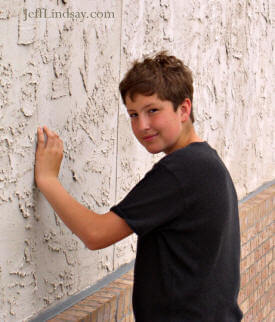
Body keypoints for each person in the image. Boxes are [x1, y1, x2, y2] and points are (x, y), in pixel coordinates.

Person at [35, 51, 243, 321]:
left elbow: (96, 234)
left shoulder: (182, 170)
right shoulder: (205, 161)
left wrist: (48, 179)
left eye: (152, 111)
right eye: (133, 114)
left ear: (184, 109)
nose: (142, 126)